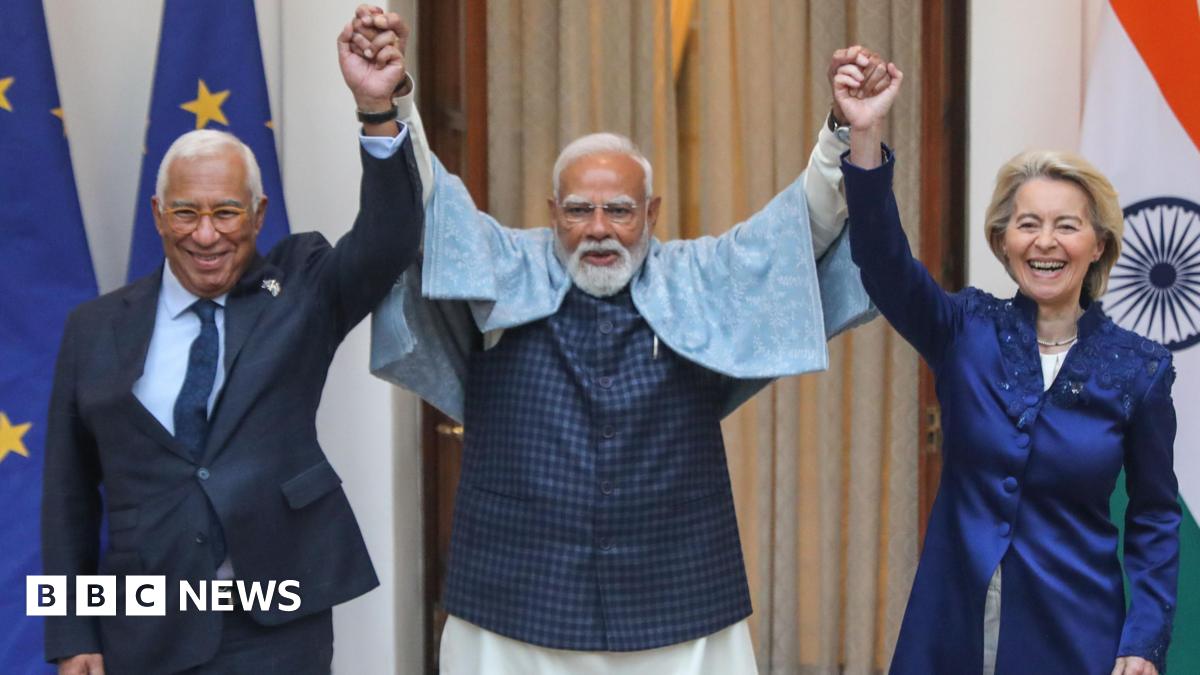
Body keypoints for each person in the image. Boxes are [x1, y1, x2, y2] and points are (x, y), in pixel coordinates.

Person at [354, 8, 886, 674]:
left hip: (677, 596)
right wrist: (386, 104)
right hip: (516, 594)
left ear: (652, 214)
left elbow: (799, 230)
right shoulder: (503, 265)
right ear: (553, 213)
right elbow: (428, 201)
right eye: (579, 210)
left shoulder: (699, 275)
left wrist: (844, 132)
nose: (599, 228)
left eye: (620, 210)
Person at [40, 17, 423, 675]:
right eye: (186, 212)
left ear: (259, 214)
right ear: (159, 216)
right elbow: (67, 494)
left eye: (226, 212)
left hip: (275, 621)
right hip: (145, 623)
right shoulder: (94, 328)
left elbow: (389, 237)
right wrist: (73, 634)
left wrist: (376, 109)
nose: (206, 234)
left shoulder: (301, 288)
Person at [833, 55, 1179, 675]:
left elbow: (1154, 514)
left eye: (1066, 226)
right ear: (1002, 241)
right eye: (1027, 224)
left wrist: (1144, 638)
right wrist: (864, 133)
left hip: (1075, 635)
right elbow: (883, 262)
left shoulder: (1140, 370)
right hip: (949, 628)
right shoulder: (964, 329)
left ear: (1097, 246)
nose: (1045, 241)